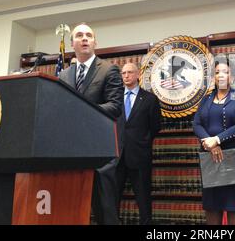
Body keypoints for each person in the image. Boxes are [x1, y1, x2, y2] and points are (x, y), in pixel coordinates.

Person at [59, 23, 124, 225]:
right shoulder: (63, 75)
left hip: (100, 153)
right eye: (79, 35)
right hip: (70, 151)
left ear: (95, 42)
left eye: (89, 35)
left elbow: (115, 106)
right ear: (72, 43)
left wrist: (82, 111)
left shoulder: (109, 70)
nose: (85, 38)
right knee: (70, 209)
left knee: (105, 211)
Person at [193, 58, 235, 225]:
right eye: (217, 72)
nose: (220, 76)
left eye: (225, 72)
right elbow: (196, 124)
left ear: (232, 77)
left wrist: (217, 139)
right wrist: (210, 144)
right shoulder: (206, 99)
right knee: (212, 206)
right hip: (211, 159)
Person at [116, 62, 161, 225]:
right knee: (113, 198)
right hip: (117, 156)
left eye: (129, 72)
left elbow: (155, 126)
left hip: (140, 156)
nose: (126, 76)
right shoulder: (114, 98)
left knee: (143, 198)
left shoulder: (150, 99)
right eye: (123, 73)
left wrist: (142, 140)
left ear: (137, 75)